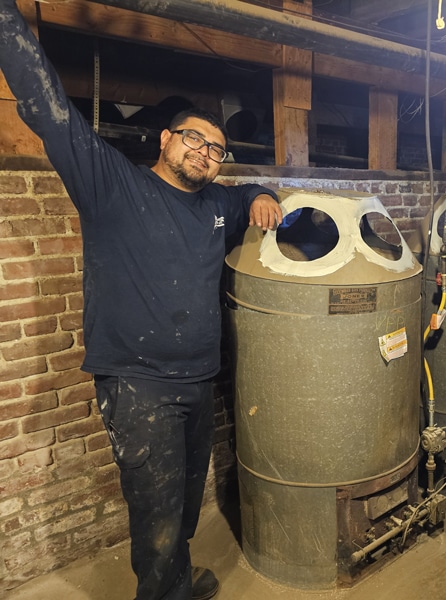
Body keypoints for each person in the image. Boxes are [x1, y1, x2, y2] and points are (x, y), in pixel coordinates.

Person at [0, 2, 283, 598]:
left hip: (197, 381)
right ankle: (165, 589)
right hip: (138, 384)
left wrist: (261, 191)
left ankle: (174, 580)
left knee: (180, 507)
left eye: (216, 150)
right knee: (156, 520)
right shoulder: (113, 185)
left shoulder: (217, 206)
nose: (205, 154)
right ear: (166, 139)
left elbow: (251, 192)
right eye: (195, 141)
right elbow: (48, 109)